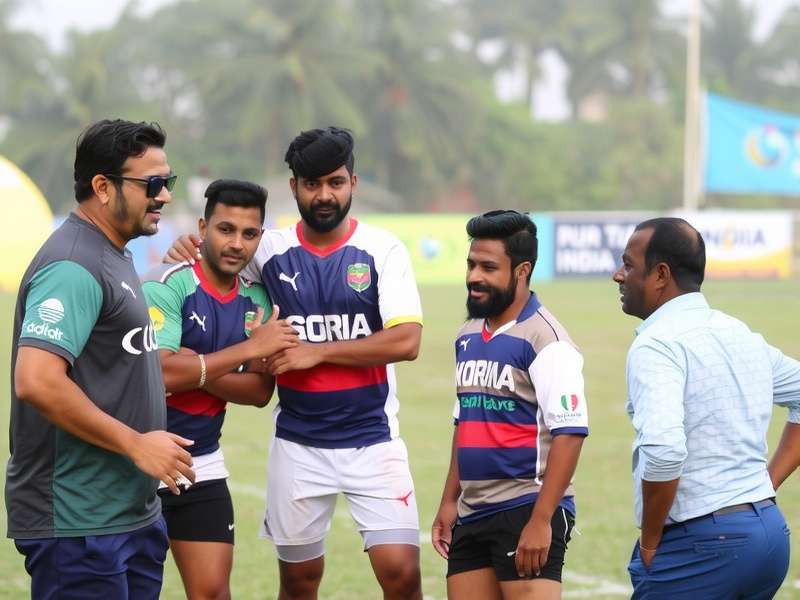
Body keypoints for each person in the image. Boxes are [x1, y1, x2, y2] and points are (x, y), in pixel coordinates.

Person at [166, 127, 424, 600]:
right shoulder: (266, 249)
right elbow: (217, 260)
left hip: (374, 441)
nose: (324, 195)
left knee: (402, 575)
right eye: (311, 183)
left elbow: (407, 341)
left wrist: (317, 351)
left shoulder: (382, 250)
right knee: (299, 581)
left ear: (353, 183)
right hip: (298, 445)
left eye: (335, 182)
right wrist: (189, 245)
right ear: (294, 187)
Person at [6, 119, 195, 599]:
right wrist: (136, 443)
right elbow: (37, 381)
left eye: (168, 182)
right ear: (103, 188)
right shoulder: (73, 263)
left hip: (127, 514)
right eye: (153, 184)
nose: (165, 196)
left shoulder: (114, 251)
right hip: (79, 522)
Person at [612, 217, 800, 599]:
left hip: (703, 545)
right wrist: (764, 486)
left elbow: (664, 453)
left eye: (629, 265)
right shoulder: (738, 331)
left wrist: (649, 541)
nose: (618, 275)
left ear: (661, 274)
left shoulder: (657, 345)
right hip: (769, 536)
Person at [142, 179, 299, 599]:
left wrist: (191, 364)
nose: (236, 243)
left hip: (203, 464)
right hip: (139, 459)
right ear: (202, 227)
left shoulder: (259, 301)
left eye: (249, 234)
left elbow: (259, 392)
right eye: (225, 229)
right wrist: (247, 349)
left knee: (212, 592)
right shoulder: (168, 282)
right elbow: (157, 376)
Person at [431, 210, 589, 600]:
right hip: (473, 513)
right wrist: (449, 500)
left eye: (488, 267)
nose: (473, 276)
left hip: (525, 507)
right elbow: (464, 421)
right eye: (471, 264)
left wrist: (540, 520)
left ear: (522, 271)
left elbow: (570, 434)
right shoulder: (467, 334)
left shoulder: (547, 340)